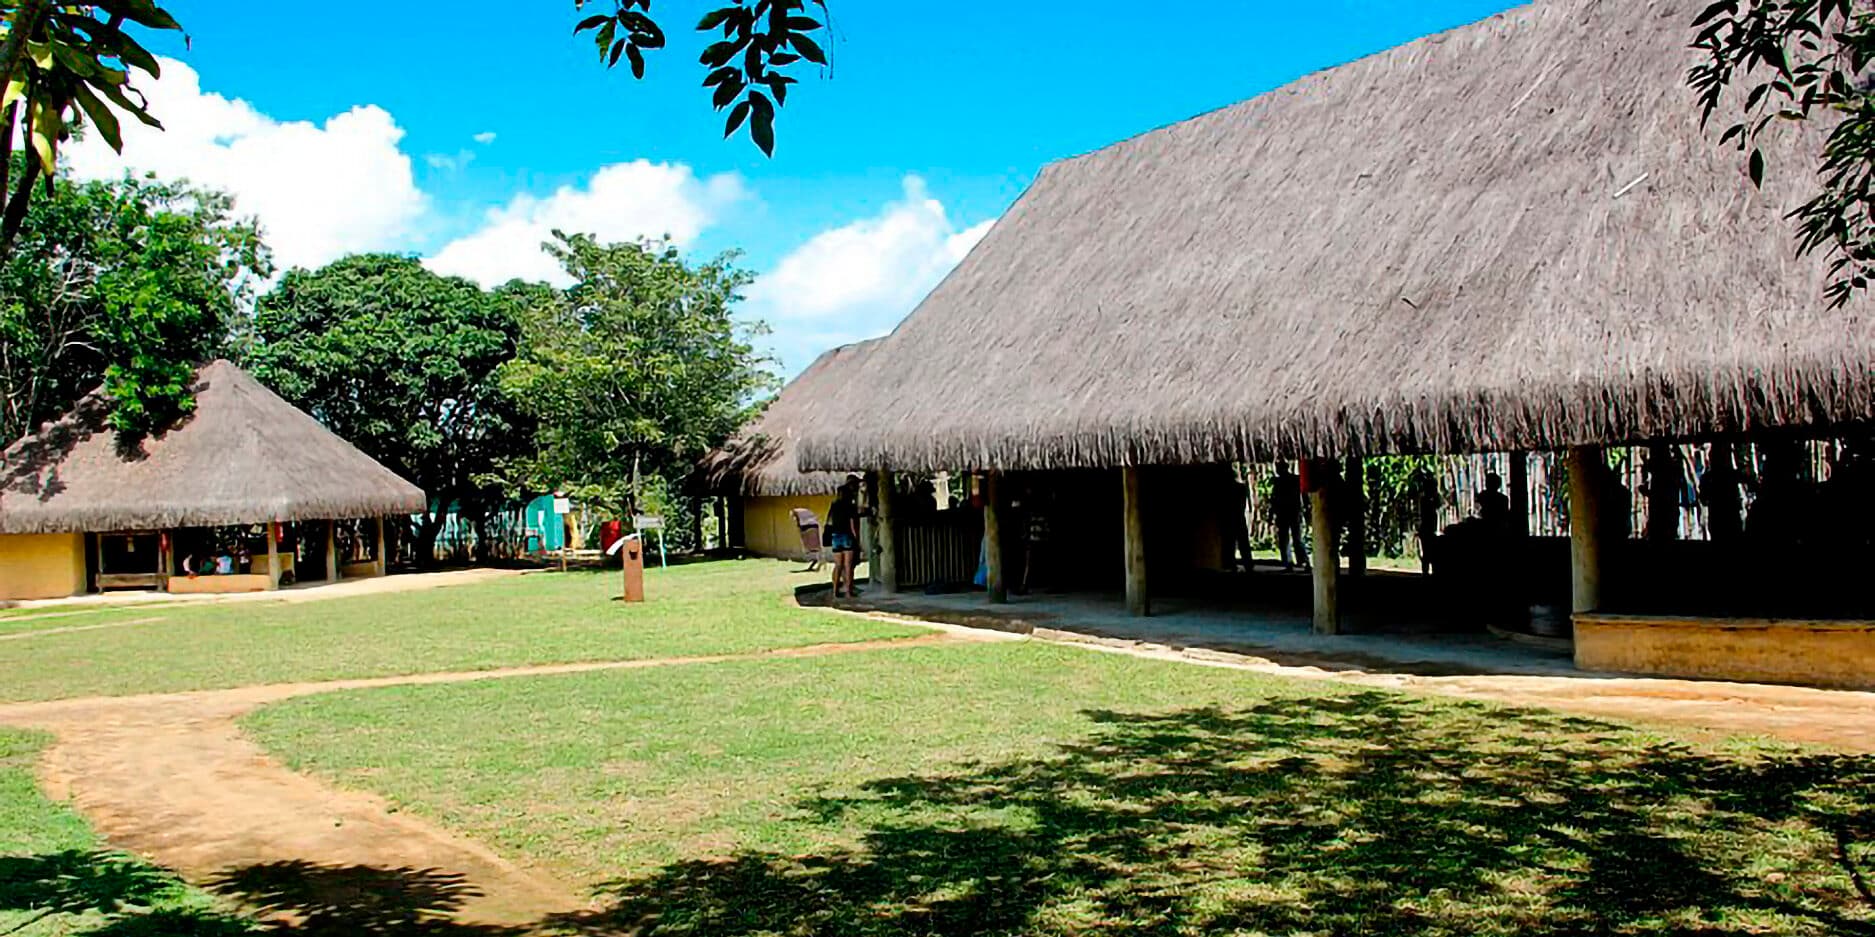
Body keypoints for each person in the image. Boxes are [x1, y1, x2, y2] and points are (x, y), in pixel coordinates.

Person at [826, 476, 862, 598]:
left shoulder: (834, 505)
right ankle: (848, 592)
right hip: (847, 536)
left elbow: (830, 521)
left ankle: (835, 590)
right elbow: (852, 525)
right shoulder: (850, 506)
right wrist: (856, 540)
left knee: (838, 565)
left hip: (835, 536)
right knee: (848, 566)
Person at [1270, 462, 1307, 570]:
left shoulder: (1281, 482)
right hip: (1292, 512)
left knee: (1287, 539)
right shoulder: (1295, 480)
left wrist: (1271, 515)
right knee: (1295, 538)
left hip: (1286, 512)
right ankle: (1300, 561)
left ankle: (1290, 562)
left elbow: (1274, 500)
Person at [1411, 466, 1441, 574]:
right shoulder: (1425, 499)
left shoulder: (1428, 499)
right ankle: (1427, 571)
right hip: (1427, 528)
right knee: (1428, 552)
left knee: (1430, 552)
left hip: (1430, 528)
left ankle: (1428, 571)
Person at [791, 506, 823, 572]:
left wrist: (798, 526)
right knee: (814, 544)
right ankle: (816, 559)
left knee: (809, 544)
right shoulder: (804, 512)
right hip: (812, 525)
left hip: (808, 526)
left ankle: (816, 559)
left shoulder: (796, 512)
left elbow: (797, 520)